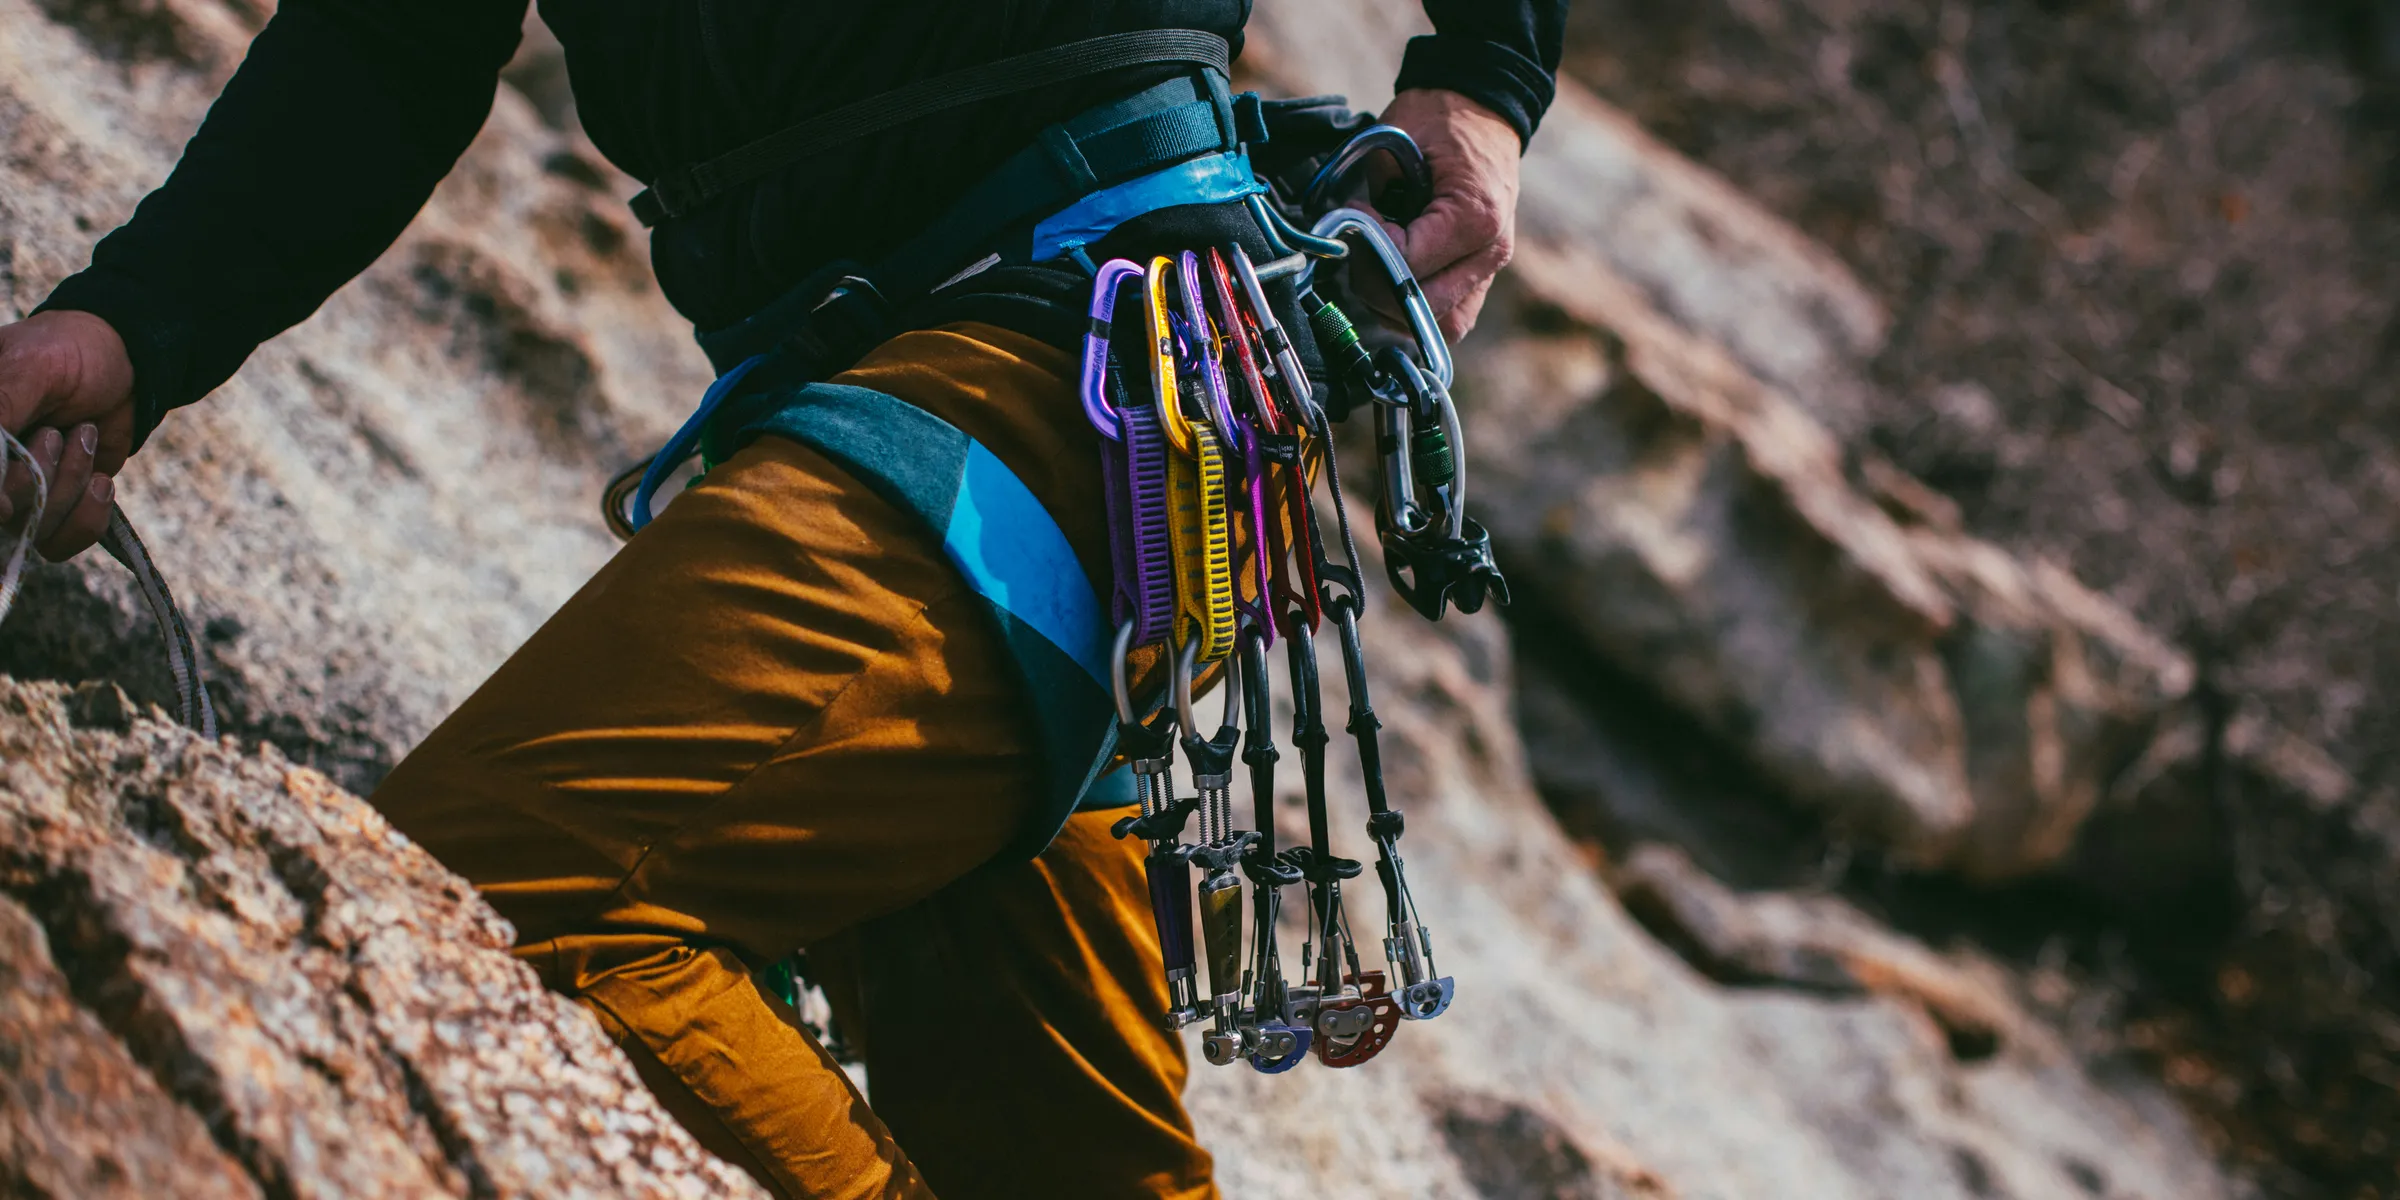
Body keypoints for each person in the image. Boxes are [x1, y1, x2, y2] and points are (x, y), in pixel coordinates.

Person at [0, 3, 1560, 1195]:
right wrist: (136, 328)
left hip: (1079, 344)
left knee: (512, 891)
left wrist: (1485, 81)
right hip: (998, 397)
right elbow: (394, 41)